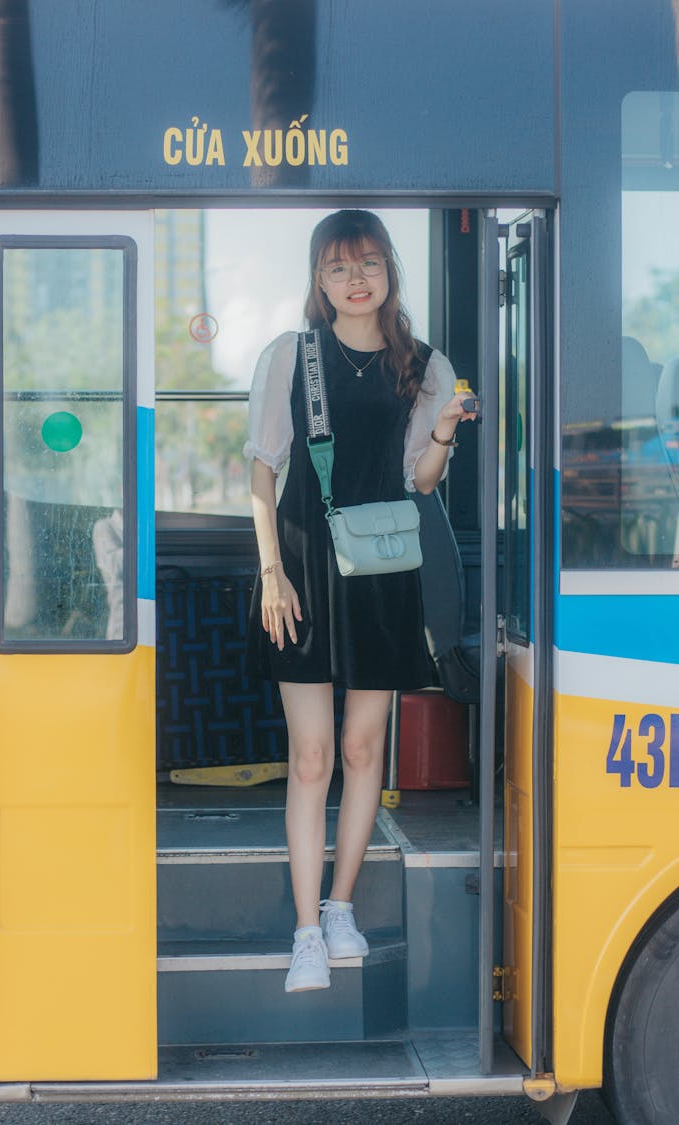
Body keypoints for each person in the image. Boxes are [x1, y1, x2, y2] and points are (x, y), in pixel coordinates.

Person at [244, 209, 476, 992]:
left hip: (380, 566)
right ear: (318, 277)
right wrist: (270, 572)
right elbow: (262, 473)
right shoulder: (291, 357)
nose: (355, 280)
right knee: (310, 757)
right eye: (339, 267)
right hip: (303, 567)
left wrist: (443, 429)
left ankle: (341, 906)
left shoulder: (425, 364)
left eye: (369, 264)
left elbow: (420, 481)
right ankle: (307, 929)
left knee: (362, 749)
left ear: (390, 272)